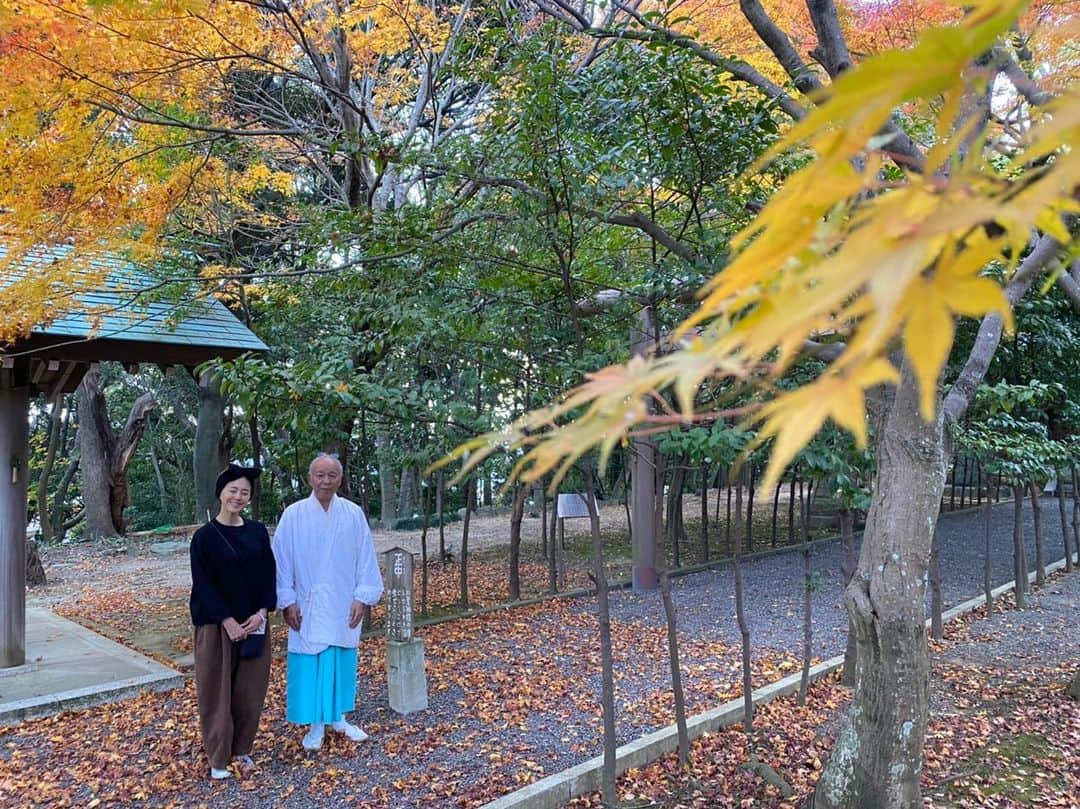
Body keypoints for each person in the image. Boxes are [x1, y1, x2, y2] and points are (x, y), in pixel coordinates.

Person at [272, 453, 383, 751]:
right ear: (310, 478)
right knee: (311, 660)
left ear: (340, 479)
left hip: (343, 600)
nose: (325, 480)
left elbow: (365, 558)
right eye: (320, 474)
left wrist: (363, 596)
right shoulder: (293, 515)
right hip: (306, 602)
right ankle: (314, 724)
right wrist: (287, 600)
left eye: (332, 475)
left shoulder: (352, 513)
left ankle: (338, 718)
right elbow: (281, 561)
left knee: (339, 657)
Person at [189, 463, 276, 780]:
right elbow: (204, 584)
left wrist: (262, 612)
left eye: (244, 492)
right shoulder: (204, 537)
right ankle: (218, 756)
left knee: (250, 689)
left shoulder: (256, 531)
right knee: (216, 691)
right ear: (221, 493)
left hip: (254, 623)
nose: (238, 497)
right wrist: (227, 621)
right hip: (217, 627)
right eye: (233, 490)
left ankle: (242, 749)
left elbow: (269, 574)